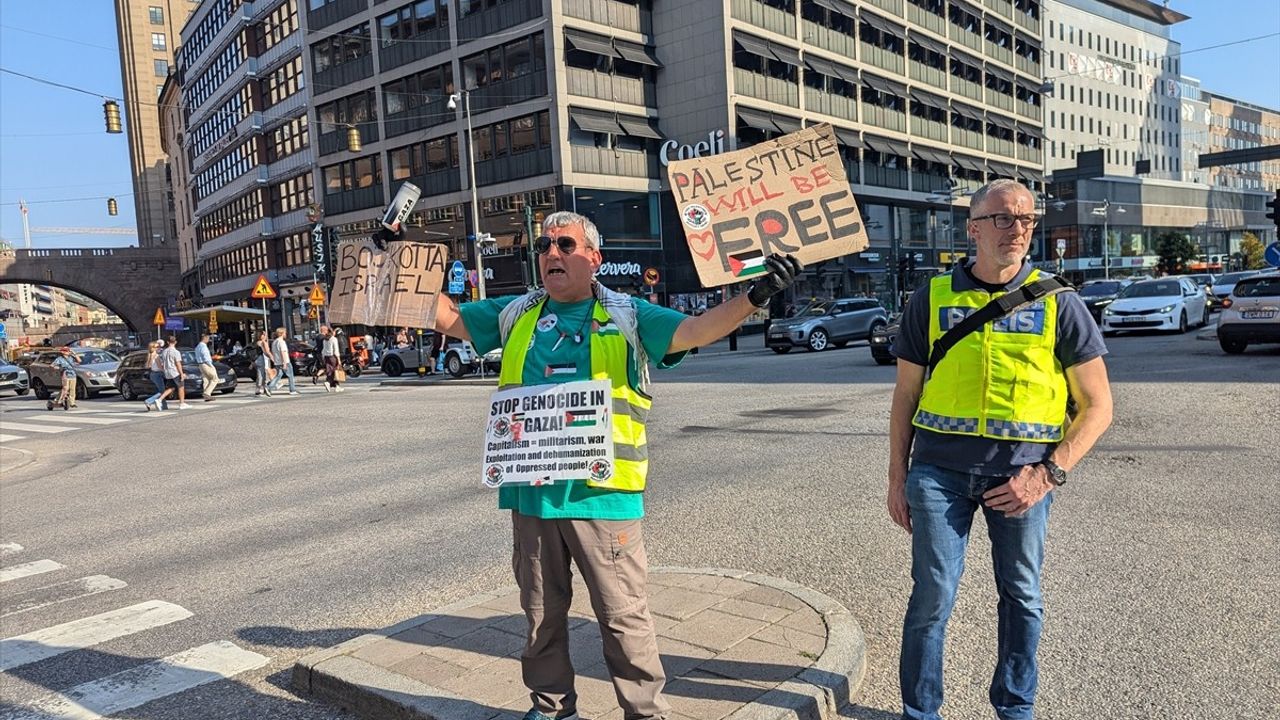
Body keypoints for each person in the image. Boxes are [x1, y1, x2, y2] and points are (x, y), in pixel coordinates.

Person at [430, 211, 801, 720]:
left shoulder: (628, 314)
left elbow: (694, 330)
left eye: (565, 244)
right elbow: (444, 317)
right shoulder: (516, 313)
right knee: (540, 616)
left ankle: (644, 713)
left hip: (603, 497)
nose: (551, 254)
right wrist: (394, 261)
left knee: (623, 618)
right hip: (532, 497)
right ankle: (552, 708)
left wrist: (754, 299)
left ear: (593, 258)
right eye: (544, 246)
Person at [887, 179, 1114, 720]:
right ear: (973, 229)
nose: (1018, 229)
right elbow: (905, 395)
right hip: (938, 473)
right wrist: (897, 478)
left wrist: (1047, 475)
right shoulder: (933, 296)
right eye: (1004, 219)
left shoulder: (1060, 301)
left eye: (1027, 219)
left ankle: (1016, 707)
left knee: (1022, 596)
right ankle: (921, 712)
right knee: (932, 600)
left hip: (1022, 478)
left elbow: (1098, 407)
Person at [158, 336, 189, 409]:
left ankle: (159, 399)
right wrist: (181, 374)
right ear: (175, 342)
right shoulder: (176, 352)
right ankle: (182, 403)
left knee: (171, 387)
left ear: (168, 342)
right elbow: (178, 363)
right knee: (181, 386)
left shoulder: (164, 352)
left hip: (167, 372)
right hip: (174, 371)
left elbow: (162, 363)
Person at [267, 327, 298, 395]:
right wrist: (284, 363)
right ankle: (292, 390)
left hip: (277, 362)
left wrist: (275, 360)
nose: (285, 334)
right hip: (285, 362)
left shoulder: (274, 342)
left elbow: (273, 352)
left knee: (278, 375)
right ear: (282, 333)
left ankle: (269, 387)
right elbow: (283, 352)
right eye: (285, 333)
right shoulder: (282, 342)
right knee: (290, 376)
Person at [48, 346, 79, 411]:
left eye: (68, 351)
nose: (69, 352)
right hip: (65, 374)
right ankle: (58, 400)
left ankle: (72, 403)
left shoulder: (71, 358)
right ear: (63, 352)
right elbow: (51, 366)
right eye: (67, 351)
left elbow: (79, 361)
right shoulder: (59, 359)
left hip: (73, 374)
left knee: (72, 389)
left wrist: (75, 354)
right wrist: (59, 368)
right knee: (65, 388)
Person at [143, 341, 168, 411]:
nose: (159, 348)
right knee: (162, 392)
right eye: (157, 347)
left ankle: (164, 406)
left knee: (161, 390)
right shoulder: (156, 356)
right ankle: (149, 401)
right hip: (158, 374)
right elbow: (160, 367)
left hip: (153, 374)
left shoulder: (150, 355)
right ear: (153, 348)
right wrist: (165, 371)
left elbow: (148, 366)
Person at [194, 333, 218, 402]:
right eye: (208, 339)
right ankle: (207, 393)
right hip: (206, 364)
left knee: (206, 379)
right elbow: (205, 357)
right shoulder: (203, 346)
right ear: (205, 338)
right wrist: (211, 365)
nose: (208, 340)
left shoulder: (197, 346)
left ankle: (206, 396)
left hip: (200, 364)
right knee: (215, 379)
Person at [320, 324, 342, 392]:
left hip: (326, 357)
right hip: (333, 357)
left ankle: (331, 384)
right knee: (335, 371)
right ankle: (333, 384)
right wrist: (339, 359)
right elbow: (336, 350)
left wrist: (323, 357)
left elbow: (323, 350)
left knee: (329, 371)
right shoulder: (334, 339)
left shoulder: (325, 340)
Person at [254, 330, 274, 397]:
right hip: (262, 360)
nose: (266, 336)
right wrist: (272, 358)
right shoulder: (262, 343)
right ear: (261, 336)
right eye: (264, 334)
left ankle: (261, 388)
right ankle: (260, 389)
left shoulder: (256, 342)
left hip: (257, 360)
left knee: (261, 374)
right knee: (261, 374)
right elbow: (266, 352)